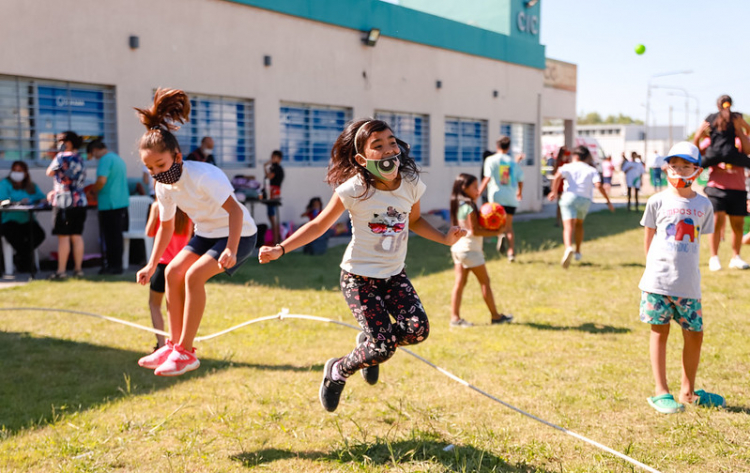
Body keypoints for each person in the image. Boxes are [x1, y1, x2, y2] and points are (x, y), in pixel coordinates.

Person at [258, 118, 465, 412]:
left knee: (417, 330)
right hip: (359, 279)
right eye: (377, 146)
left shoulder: (410, 184)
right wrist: (281, 248)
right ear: (361, 158)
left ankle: (368, 343)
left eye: (391, 142)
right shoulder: (353, 190)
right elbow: (319, 225)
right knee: (381, 347)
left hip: (394, 276)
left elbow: (415, 220)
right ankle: (338, 371)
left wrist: (445, 238)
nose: (388, 149)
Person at [134, 88, 258, 377]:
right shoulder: (162, 186)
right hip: (206, 234)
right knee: (171, 272)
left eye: (160, 165)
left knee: (193, 275)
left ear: (176, 156)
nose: (156, 172)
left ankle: (186, 352)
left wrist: (231, 248)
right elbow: (165, 226)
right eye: (149, 168)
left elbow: (236, 212)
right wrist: (152, 264)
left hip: (237, 234)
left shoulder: (203, 175)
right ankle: (173, 345)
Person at [638, 141, 724, 414]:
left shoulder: (704, 204)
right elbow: (648, 240)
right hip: (657, 282)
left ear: (696, 171)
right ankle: (661, 391)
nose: (678, 171)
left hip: (688, 283)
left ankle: (688, 391)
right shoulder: (656, 201)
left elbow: (701, 238)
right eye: (674, 166)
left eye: (685, 166)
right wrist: (652, 269)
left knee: (695, 334)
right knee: (659, 331)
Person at [449, 173, 513, 327]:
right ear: (465, 188)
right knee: (485, 282)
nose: (478, 191)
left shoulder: (460, 204)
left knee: (459, 283)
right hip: (470, 249)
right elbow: (476, 231)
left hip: (457, 248)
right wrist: (497, 232)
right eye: (475, 187)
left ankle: (455, 318)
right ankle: (496, 316)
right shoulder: (470, 206)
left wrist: (485, 182)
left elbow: (475, 197)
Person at [547, 145, 614, 268]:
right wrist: (608, 201)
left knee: (568, 226)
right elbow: (598, 185)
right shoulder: (591, 170)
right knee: (579, 224)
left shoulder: (567, 166)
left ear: (575, 156)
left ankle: (568, 248)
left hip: (569, 197)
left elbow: (557, 176)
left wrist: (554, 192)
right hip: (585, 200)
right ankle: (577, 251)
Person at [145, 202, 192, 351]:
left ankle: (161, 343)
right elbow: (190, 236)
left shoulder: (158, 206)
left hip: (162, 265)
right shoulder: (188, 207)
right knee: (177, 307)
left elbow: (149, 232)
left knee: (154, 304)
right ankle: (179, 344)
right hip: (180, 265)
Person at [46, 130, 87, 279]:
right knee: (77, 236)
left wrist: (58, 156)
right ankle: (78, 270)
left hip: (63, 202)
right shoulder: (80, 159)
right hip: (80, 201)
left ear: (67, 142)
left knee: (63, 237)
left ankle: (61, 271)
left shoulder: (61, 157)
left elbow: (49, 172)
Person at [478, 136, 524, 261]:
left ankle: (496, 238)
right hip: (510, 198)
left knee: (489, 224)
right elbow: (520, 179)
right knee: (509, 227)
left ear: (497, 146)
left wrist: (478, 191)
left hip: (496, 197)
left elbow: (487, 177)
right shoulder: (512, 161)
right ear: (508, 148)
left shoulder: (491, 160)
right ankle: (511, 253)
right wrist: (519, 192)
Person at [87, 140, 130, 274]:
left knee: (110, 238)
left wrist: (92, 191)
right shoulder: (117, 159)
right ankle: (117, 265)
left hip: (109, 204)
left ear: (95, 150)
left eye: (93, 154)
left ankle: (113, 266)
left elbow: (101, 181)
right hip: (121, 202)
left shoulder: (105, 160)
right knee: (117, 237)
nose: (94, 157)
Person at [0, 161, 46, 273]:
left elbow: (43, 198)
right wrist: (17, 202)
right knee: (16, 236)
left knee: (39, 234)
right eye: (14, 170)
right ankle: (25, 263)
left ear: (25, 173)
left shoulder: (31, 186)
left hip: (27, 219)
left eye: (20, 171)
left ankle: (20, 258)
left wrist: (34, 200)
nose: (17, 173)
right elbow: (2, 201)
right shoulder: (5, 184)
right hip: (9, 220)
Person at [693, 95, 750, 169]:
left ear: (718, 105)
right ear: (731, 104)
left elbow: (701, 131)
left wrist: (707, 136)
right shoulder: (736, 117)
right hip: (731, 154)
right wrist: (743, 134)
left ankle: (684, 179)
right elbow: (748, 128)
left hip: (713, 154)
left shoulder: (710, 117)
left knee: (694, 166)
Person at [263, 150, 285, 245]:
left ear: (279, 159)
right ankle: (277, 238)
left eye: (274, 157)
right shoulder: (277, 168)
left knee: (272, 218)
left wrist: (265, 166)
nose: (272, 158)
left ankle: (276, 240)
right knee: (272, 217)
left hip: (273, 194)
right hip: (273, 194)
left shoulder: (276, 168)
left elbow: (269, 177)